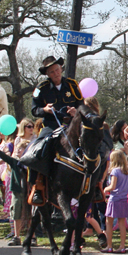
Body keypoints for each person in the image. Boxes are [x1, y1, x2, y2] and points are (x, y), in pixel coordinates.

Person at [28, 56, 83, 206]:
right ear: (47, 74)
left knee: (92, 145)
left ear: (61, 69)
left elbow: (81, 105)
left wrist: (75, 112)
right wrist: (44, 110)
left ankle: (95, 185)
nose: (56, 74)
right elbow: (34, 109)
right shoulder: (41, 88)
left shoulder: (72, 85)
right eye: (52, 72)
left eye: (57, 70)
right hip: (51, 126)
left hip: (71, 126)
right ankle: (37, 186)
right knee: (37, 150)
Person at [103, 150, 128, 253]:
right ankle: (122, 246)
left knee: (109, 222)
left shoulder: (115, 171)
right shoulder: (127, 171)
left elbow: (113, 186)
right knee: (122, 223)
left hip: (114, 198)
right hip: (124, 198)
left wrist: (105, 189)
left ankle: (109, 246)